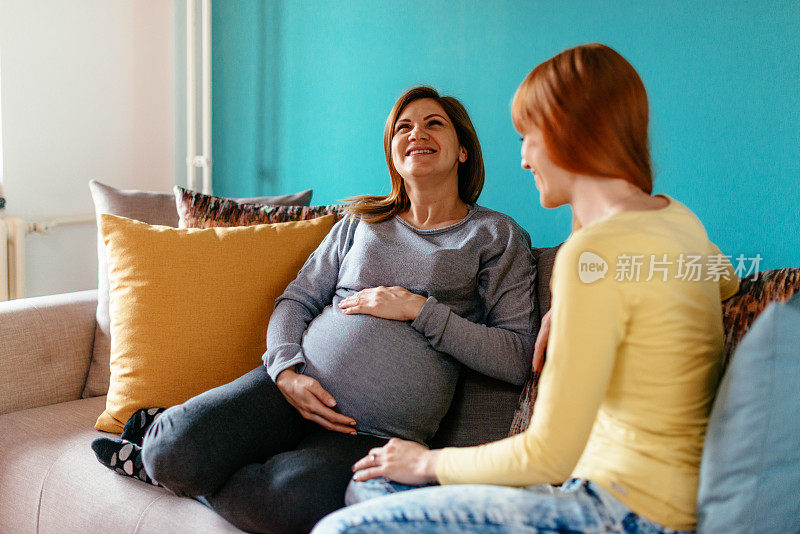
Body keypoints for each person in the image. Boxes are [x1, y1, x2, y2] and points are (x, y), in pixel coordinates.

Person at [312, 44, 739, 534]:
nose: (522, 159)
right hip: (655, 503)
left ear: (569, 133)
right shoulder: (676, 219)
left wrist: (428, 463)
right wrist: (569, 305)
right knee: (372, 486)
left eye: (527, 137)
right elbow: (722, 277)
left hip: (619, 511)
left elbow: (548, 455)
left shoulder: (590, 258)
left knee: (339, 529)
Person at [91, 86, 536, 534]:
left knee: (291, 504)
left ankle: (168, 467)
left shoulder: (495, 236)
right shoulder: (362, 221)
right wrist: (286, 371)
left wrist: (419, 309)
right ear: (392, 152)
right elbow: (296, 300)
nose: (416, 133)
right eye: (404, 126)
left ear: (462, 150)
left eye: (433, 123)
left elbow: (517, 356)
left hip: (372, 432)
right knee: (172, 449)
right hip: (286, 392)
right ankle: (162, 454)